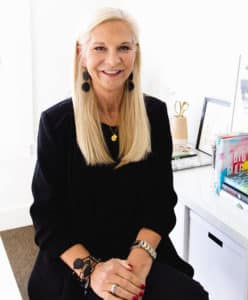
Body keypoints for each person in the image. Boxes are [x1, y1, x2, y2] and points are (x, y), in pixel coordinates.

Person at [28, 7, 209, 300]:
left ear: (135, 52)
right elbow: (47, 219)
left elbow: (161, 203)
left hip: (138, 251)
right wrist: (94, 271)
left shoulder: (155, 114)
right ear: (82, 54)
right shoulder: (57, 123)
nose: (113, 60)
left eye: (124, 47)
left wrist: (140, 258)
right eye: (100, 48)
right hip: (75, 262)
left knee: (191, 296)